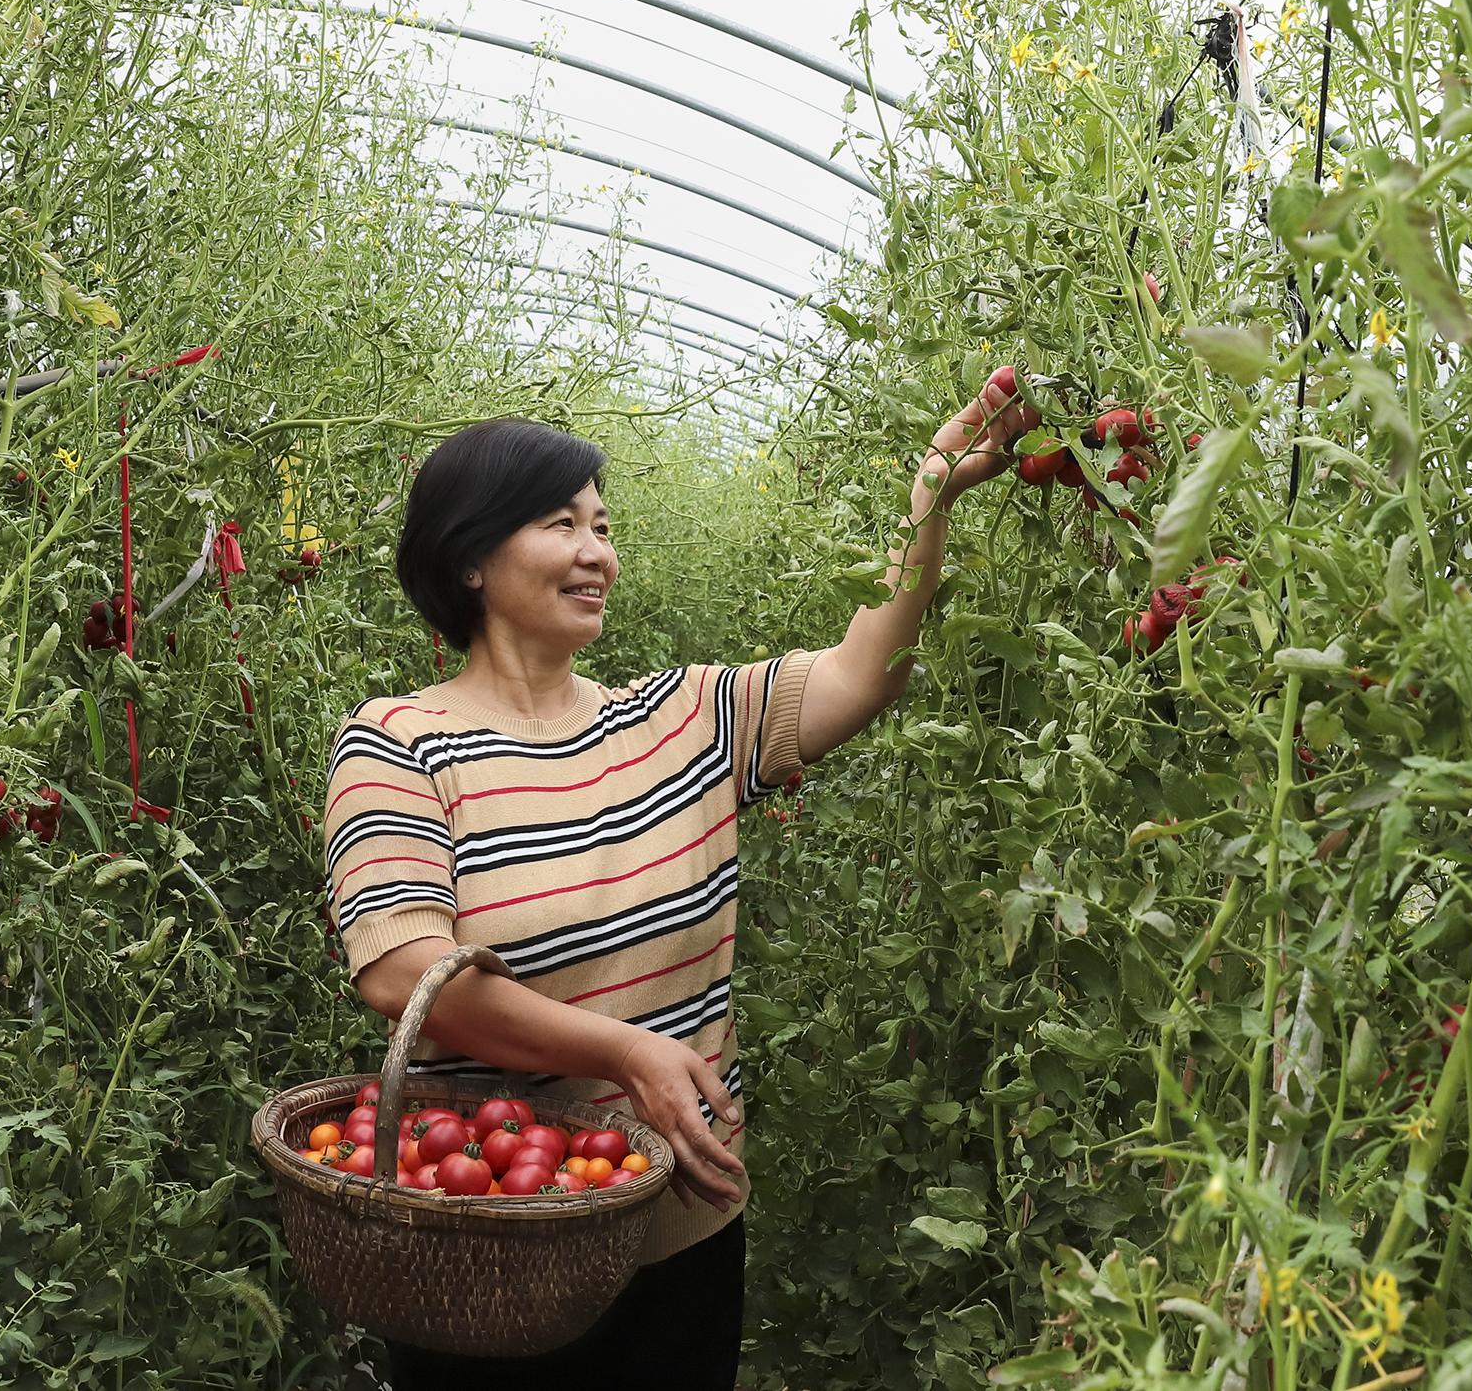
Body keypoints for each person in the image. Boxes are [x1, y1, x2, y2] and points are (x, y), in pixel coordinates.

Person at [322, 375, 1037, 1387]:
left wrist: (931, 500)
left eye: (603, 527)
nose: (597, 552)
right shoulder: (399, 743)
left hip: (682, 1216)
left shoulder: (683, 720)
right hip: (487, 1245)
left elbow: (866, 668)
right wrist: (630, 1057)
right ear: (471, 556)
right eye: (559, 523)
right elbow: (403, 972)